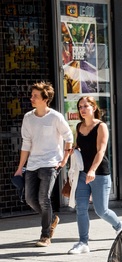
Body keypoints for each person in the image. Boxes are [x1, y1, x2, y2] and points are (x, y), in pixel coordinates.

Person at [15, 81, 74, 247]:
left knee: (43, 198)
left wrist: (64, 160)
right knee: (29, 199)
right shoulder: (28, 118)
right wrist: (20, 168)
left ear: (45, 99)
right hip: (33, 164)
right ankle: (52, 219)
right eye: (32, 95)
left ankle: (45, 235)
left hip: (50, 164)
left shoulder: (55, 117)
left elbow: (69, 137)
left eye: (35, 96)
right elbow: (26, 144)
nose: (31, 98)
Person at [68, 96, 122, 254]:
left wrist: (92, 170)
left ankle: (119, 226)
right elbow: (81, 147)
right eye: (80, 107)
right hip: (82, 174)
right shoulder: (79, 126)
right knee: (81, 208)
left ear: (94, 108)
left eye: (86, 106)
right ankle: (83, 242)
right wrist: (74, 150)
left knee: (101, 210)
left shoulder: (101, 126)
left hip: (99, 173)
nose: (83, 109)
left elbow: (101, 151)